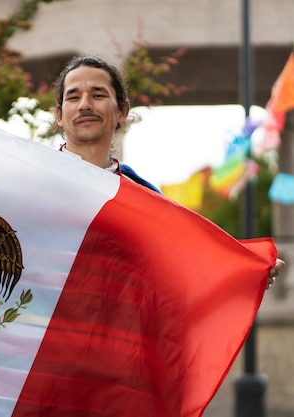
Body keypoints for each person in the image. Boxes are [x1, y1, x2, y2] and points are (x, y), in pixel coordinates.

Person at [51, 54, 284, 288]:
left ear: (122, 111)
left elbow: (186, 258)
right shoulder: (34, 179)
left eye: (98, 95)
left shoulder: (143, 196)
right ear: (60, 115)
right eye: (73, 97)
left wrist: (245, 270)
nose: (85, 105)